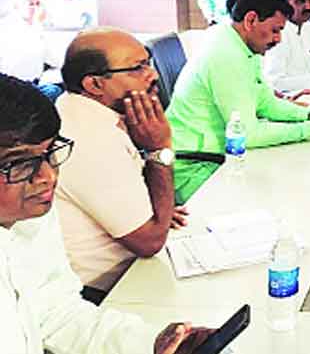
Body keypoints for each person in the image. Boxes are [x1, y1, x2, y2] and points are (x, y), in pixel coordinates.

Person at [0, 73, 211, 353]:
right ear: (94, 83)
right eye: (19, 164)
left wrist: (153, 345)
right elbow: (148, 239)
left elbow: (57, 315)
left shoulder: (28, 216)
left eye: (51, 153)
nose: (47, 176)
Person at [166, 0, 310, 204]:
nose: (278, 39)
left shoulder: (240, 44)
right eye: (275, 30)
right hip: (194, 168)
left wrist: (309, 113)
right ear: (250, 20)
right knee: (287, 192)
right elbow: (248, 134)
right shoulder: (226, 55)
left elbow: (264, 101)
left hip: (219, 156)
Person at [55, 28, 187, 301]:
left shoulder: (82, 110)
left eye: (148, 63)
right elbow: (149, 241)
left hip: (133, 269)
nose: (154, 75)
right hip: (110, 290)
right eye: (138, 68)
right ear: (94, 85)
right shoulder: (88, 137)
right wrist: (159, 149)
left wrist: (153, 212)